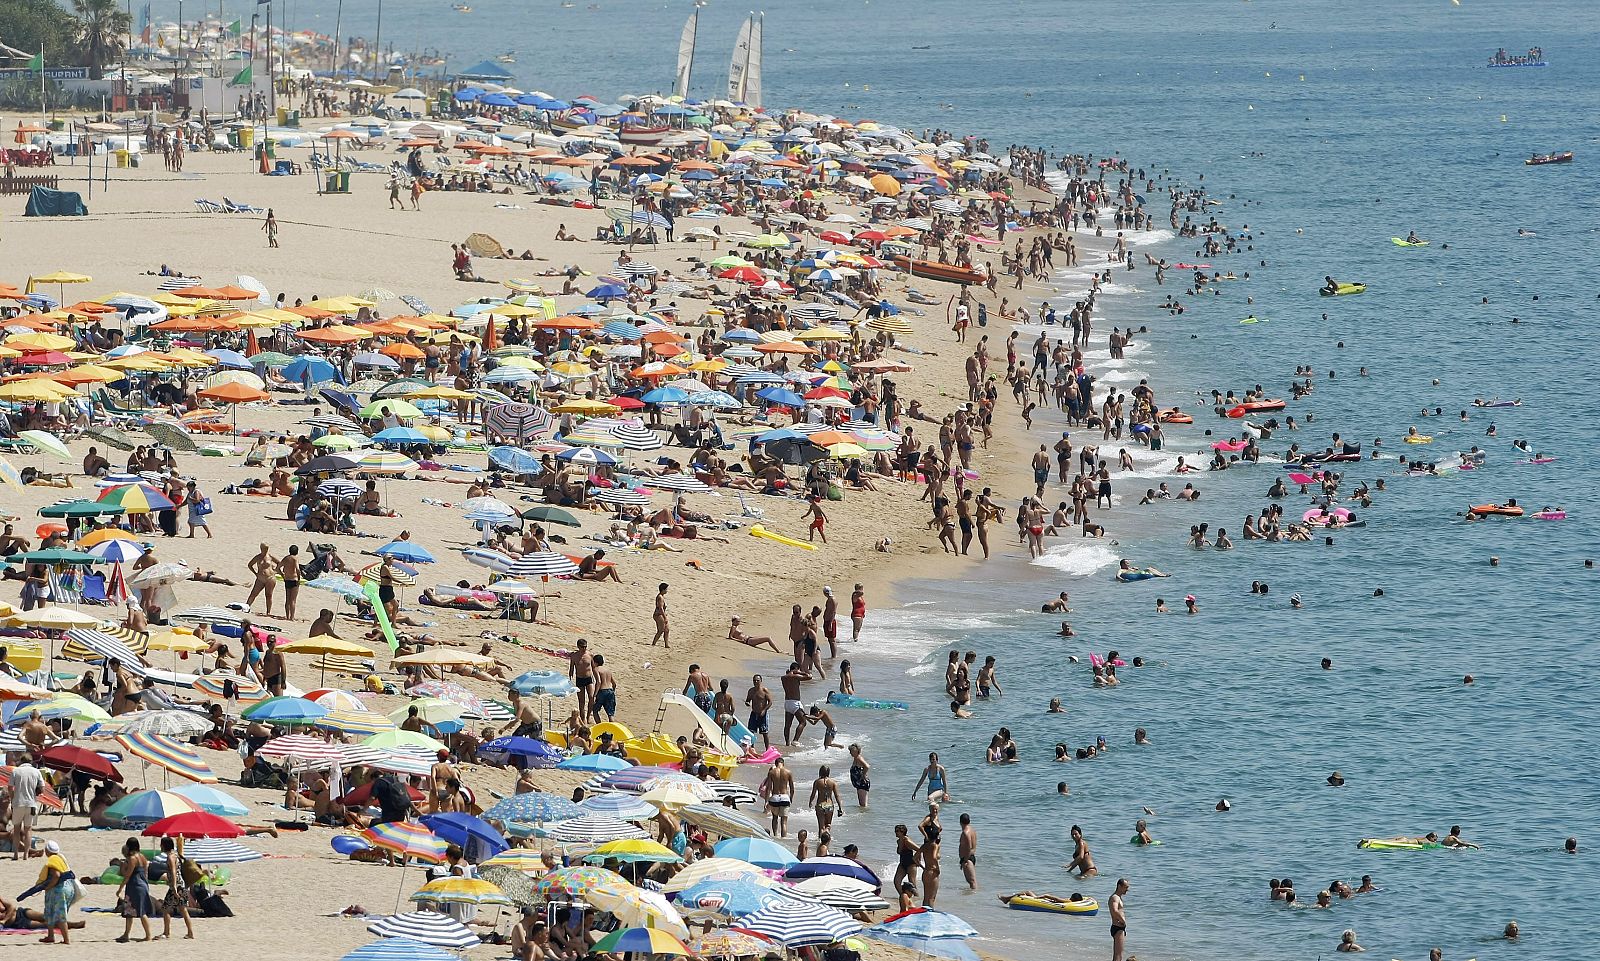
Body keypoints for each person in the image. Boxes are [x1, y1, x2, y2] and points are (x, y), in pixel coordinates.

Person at [116, 836, 155, 942]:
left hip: (135, 886)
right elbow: (145, 871)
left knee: (140, 912)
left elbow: (127, 875)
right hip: (142, 885)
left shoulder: (133, 859)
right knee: (129, 911)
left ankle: (148, 935)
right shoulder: (142, 857)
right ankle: (126, 934)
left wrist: (120, 889)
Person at [8, 756, 41, 859]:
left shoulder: (16, 771)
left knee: (17, 829)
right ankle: (26, 854)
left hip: (18, 803)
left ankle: (16, 853)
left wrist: (13, 798)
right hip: (31, 803)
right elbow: (42, 788)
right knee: (28, 830)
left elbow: (10, 788)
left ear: (21, 761)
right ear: (31, 761)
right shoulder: (36, 772)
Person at [1109, 878, 1129, 961]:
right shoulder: (1115, 897)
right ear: (1119, 886)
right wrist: (1123, 921)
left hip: (1118, 927)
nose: (1127, 890)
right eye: (1126, 887)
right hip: (1118, 928)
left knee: (1117, 954)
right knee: (1118, 955)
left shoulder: (1117, 897)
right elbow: (1114, 910)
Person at [958, 812, 978, 891]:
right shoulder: (972, 830)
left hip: (967, 858)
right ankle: (972, 897)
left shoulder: (965, 833)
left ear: (960, 822)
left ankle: (974, 897)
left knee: (972, 881)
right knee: (970, 881)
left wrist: (965, 860)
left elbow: (969, 847)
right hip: (970, 857)